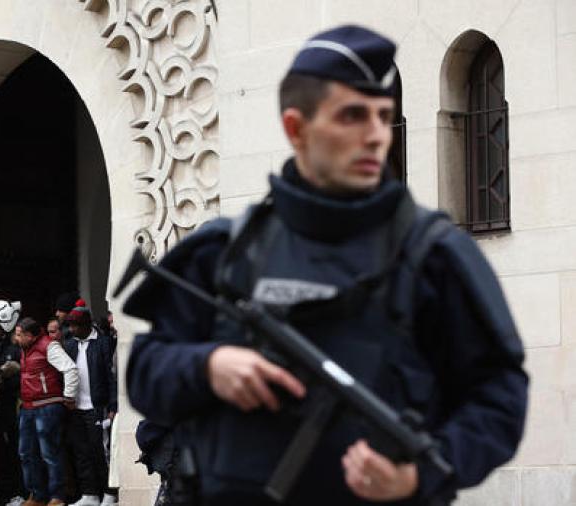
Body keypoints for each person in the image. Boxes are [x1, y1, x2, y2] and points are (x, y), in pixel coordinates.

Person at [123, 24, 529, 505]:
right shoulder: (224, 251)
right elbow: (146, 372)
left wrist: (420, 475)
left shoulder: (434, 256)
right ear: (297, 128)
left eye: (382, 116)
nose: (375, 135)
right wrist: (208, 365)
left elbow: (499, 397)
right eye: (352, 117)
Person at [14, 317, 79, 506]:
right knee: (26, 453)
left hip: (47, 406)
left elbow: (70, 369)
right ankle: (37, 495)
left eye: (19, 335)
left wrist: (69, 396)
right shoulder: (25, 349)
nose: (16, 338)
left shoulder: (49, 346)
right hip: (28, 407)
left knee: (50, 453)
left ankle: (57, 496)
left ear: (30, 336)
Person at [63, 305, 117, 506]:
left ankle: (109, 493)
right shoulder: (69, 345)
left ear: (86, 324)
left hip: (97, 406)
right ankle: (89, 494)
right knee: (81, 452)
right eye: (70, 326)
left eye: (75, 325)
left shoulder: (103, 343)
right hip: (76, 408)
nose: (72, 329)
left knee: (100, 452)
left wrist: (112, 406)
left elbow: (112, 378)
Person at [0, 300, 26, 505]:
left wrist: (17, 370)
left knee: (22, 451)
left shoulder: (18, 347)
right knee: (8, 452)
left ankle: (24, 492)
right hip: (3, 409)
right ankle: (11, 491)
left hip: (19, 406)